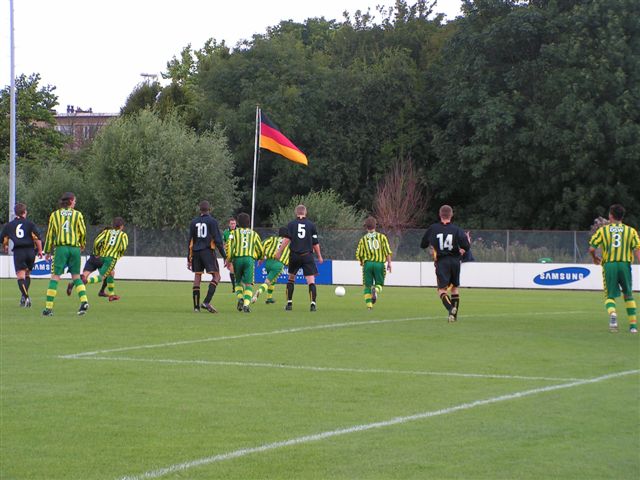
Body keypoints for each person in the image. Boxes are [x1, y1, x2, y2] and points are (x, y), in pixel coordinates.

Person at [588, 204, 640, 333]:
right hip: (624, 264)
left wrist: (594, 258)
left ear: (610, 215)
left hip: (609, 265)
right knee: (628, 295)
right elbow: (637, 249)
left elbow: (592, 248)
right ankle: (633, 327)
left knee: (610, 295)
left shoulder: (603, 230)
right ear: (622, 216)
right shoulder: (631, 231)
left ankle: (612, 314)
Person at [420, 205, 470, 322]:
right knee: (454, 288)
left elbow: (423, 244)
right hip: (455, 261)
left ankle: (450, 308)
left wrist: (432, 245)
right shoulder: (457, 230)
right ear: (451, 215)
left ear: (440, 215)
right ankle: (453, 317)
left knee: (441, 290)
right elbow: (466, 247)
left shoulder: (433, 228)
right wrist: (466, 243)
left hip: (442, 261)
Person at [42, 192, 89, 316]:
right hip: (75, 249)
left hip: (61, 248)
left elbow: (50, 233)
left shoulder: (55, 215)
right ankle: (84, 301)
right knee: (76, 277)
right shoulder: (78, 214)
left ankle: (48, 308)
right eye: (74, 201)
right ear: (70, 201)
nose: (75, 203)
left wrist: (47, 250)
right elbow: (83, 231)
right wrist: (82, 244)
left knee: (55, 277)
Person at [275, 204, 323, 312]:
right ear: (305, 213)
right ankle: (313, 304)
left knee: (291, 279)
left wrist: (279, 252)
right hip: (307, 256)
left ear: (296, 213)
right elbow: (315, 243)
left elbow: (286, 240)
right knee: (311, 281)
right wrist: (319, 256)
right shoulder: (311, 225)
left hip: (295, 255)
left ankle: (289, 304)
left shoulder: (291, 224)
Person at [1, 203, 43, 307]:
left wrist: (5, 246)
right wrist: (41, 251)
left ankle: (26, 297)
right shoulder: (30, 224)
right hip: (30, 252)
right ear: (24, 212)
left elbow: (3, 239)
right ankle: (23, 297)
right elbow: (37, 239)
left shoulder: (9, 225)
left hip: (19, 252)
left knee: (20, 277)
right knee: (27, 275)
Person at [187, 201, 226, 313]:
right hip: (208, 252)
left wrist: (188, 258)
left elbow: (190, 241)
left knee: (197, 277)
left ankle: (196, 307)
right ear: (210, 209)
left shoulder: (193, 222)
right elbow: (218, 240)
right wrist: (224, 256)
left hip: (196, 253)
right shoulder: (212, 221)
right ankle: (206, 302)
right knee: (217, 276)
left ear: (200, 210)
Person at [83, 217, 129, 301]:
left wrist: (97, 252)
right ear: (122, 226)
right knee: (102, 277)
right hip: (111, 259)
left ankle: (111, 295)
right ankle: (86, 281)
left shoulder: (106, 232)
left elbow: (97, 241)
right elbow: (123, 247)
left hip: (102, 257)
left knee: (111, 273)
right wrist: (118, 254)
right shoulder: (123, 235)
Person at [225, 212, 263, 313]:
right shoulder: (254, 234)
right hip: (249, 259)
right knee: (248, 284)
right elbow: (260, 249)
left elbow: (230, 247)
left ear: (238, 223)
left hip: (237, 259)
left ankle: (240, 297)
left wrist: (228, 260)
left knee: (238, 282)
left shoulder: (234, 233)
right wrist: (260, 257)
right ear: (249, 222)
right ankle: (246, 305)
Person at [355, 216, 392, 310]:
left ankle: (369, 306)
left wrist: (361, 262)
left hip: (368, 264)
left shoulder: (363, 239)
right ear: (375, 226)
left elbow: (358, 253)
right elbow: (387, 251)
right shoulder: (382, 237)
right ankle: (375, 289)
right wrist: (389, 263)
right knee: (379, 284)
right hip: (379, 264)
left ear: (366, 227)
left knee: (367, 286)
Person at [66, 225, 112, 298]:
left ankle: (72, 283)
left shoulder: (99, 238)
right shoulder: (108, 240)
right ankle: (102, 291)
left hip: (93, 259)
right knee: (108, 273)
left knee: (84, 276)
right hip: (102, 260)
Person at [252, 226, 290, 305]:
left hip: (268, 262)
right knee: (267, 282)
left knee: (272, 280)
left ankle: (269, 298)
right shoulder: (288, 242)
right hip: (278, 264)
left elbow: (263, 245)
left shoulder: (272, 239)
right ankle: (258, 292)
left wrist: (261, 258)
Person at [222, 217, 237, 292]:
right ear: (229, 224)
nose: (233, 225)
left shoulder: (239, 232)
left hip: (238, 254)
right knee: (231, 270)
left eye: (234, 223)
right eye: (231, 224)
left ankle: (236, 286)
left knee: (235, 270)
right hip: (229, 254)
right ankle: (234, 286)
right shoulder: (225, 232)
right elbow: (224, 244)